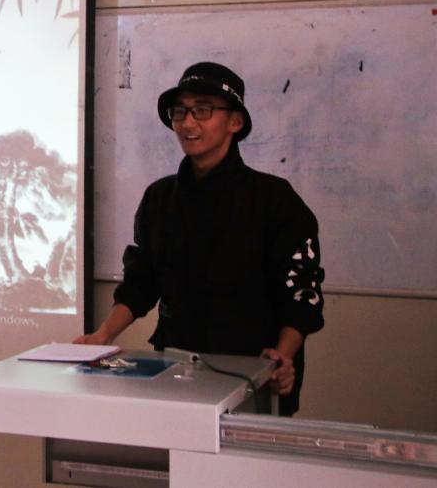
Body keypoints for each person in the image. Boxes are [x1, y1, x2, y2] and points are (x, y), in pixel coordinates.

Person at [76, 62, 324, 415]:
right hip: (174, 371)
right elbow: (141, 281)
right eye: (180, 112)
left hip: (254, 375)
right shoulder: (160, 198)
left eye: (203, 110)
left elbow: (302, 293)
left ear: (235, 122)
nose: (188, 123)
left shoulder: (274, 199)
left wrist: (283, 356)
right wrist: (103, 335)